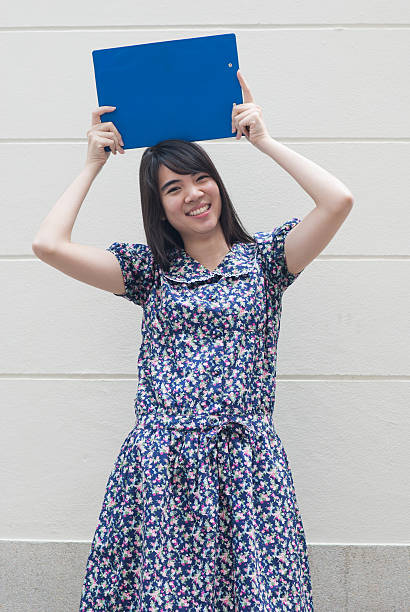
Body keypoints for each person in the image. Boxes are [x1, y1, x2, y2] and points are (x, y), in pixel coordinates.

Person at [32, 70, 354, 611]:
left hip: (247, 469)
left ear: (217, 185)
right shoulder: (149, 272)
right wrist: (91, 163)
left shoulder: (268, 263)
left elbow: (339, 201)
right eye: (172, 188)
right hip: (162, 468)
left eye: (199, 179)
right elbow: (48, 243)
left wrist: (264, 141)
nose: (193, 195)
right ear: (160, 208)